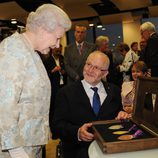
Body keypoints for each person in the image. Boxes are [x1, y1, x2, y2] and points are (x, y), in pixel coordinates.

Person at [0, 4, 71, 158]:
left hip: (30, 145)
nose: (58, 45)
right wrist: (16, 151)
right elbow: (4, 105)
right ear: (42, 29)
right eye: (57, 37)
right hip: (15, 150)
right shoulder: (12, 50)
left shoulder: (31, 51)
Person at [52, 51, 129, 158]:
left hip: (109, 151)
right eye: (88, 64)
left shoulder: (114, 91)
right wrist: (77, 132)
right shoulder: (65, 93)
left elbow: (119, 113)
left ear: (105, 73)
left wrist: (123, 114)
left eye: (97, 68)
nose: (90, 70)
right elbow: (57, 126)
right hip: (77, 152)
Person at [44, 45, 67, 127]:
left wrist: (64, 72)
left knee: (63, 108)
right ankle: (53, 129)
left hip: (63, 86)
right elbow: (45, 75)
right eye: (56, 51)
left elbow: (66, 70)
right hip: (53, 88)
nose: (58, 53)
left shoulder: (63, 58)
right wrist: (53, 71)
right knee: (53, 109)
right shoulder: (47, 61)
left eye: (59, 51)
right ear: (52, 50)